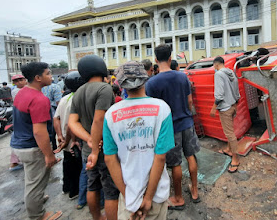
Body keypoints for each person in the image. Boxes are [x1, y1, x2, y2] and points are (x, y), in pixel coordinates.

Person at [104, 61, 174, 220]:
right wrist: (148, 198)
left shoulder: (111, 115)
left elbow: (109, 159)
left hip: (129, 193)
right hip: (156, 194)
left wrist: (129, 197)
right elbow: (160, 156)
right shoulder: (162, 109)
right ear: (145, 78)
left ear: (120, 84)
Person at [146, 44, 200, 210]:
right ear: (170, 58)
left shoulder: (152, 83)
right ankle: (195, 190)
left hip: (170, 128)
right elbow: (190, 101)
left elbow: (152, 111)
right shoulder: (182, 76)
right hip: (187, 123)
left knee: (175, 163)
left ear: (156, 60)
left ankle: (178, 197)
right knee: (191, 156)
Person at [68, 55, 119, 220]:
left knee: (93, 186)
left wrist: (89, 140)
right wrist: (96, 148)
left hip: (87, 150)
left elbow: (72, 123)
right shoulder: (104, 89)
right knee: (111, 191)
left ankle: (97, 217)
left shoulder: (78, 92)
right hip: (103, 149)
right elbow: (99, 119)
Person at [11, 62, 62, 220]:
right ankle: (38, 215)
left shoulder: (22, 92)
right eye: (48, 73)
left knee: (32, 179)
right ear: (38, 78)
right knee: (35, 183)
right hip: (31, 147)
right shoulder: (39, 99)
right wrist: (49, 155)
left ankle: (36, 199)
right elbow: (39, 132)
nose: (51, 76)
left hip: (19, 143)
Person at [53, 71, 85, 200]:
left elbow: (56, 118)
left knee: (67, 164)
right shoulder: (78, 100)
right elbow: (71, 125)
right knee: (76, 167)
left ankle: (66, 188)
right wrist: (68, 140)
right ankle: (74, 192)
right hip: (73, 139)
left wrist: (59, 135)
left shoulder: (64, 98)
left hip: (64, 138)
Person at [210, 56, 241, 173]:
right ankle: (228, 149)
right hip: (233, 105)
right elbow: (237, 91)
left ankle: (235, 159)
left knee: (230, 134)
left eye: (214, 66)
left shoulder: (218, 74)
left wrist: (213, 108)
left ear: (216, 65)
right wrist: (236, 102)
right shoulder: (231, 73)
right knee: (230, 131)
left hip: (225, 108)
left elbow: (219, 95)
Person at [9, 74, 28, 171]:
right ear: (14, 83)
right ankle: (15, 162)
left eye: (21, 80)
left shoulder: (22, 89)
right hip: (21, 115)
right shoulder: (16, 91)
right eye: (17, 81)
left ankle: (15, 162)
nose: (19, 82)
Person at [42, 80, 62, 150]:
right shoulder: (55, 87)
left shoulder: (35, 88)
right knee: (52, 132)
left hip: (39, 111)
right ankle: (53, 149)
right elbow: (58, 102)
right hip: (52, 110)